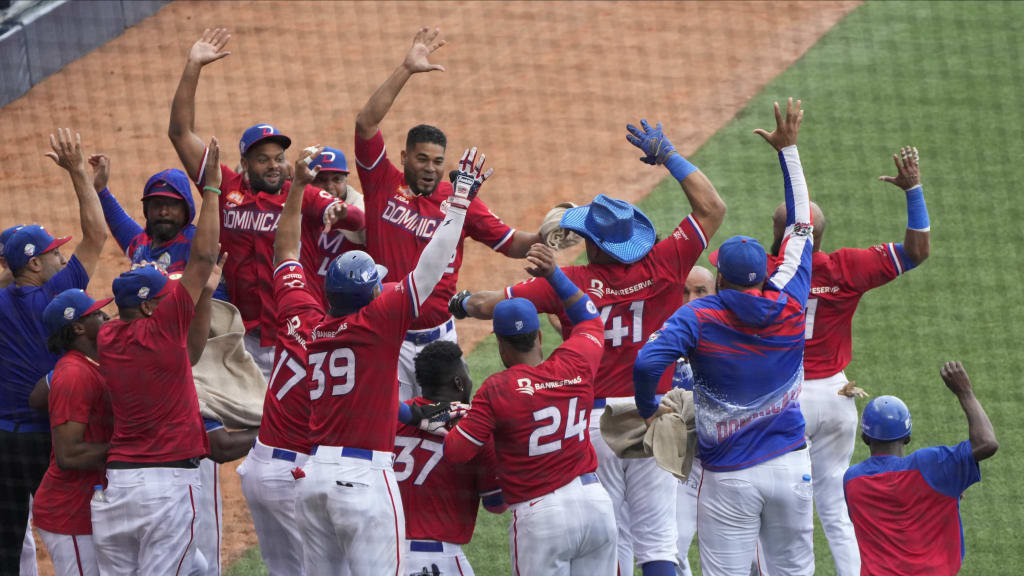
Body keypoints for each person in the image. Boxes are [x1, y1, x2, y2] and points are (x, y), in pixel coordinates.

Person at [452, 120, 726, 576]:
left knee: (612, 543)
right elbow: (712, 207)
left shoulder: (570, 283)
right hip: (653, 415)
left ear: (593, 244)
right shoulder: (665, 264)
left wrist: (459, 302)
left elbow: (491, 306)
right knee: (659, 545)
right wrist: (668, 155)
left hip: (594, 426)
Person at [634, 98, 815, 576]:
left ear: (721, 278)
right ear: (760, 276)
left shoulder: (699, 316)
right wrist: (788, 151)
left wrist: (651, 411)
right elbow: (801, 223)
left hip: (728, 477)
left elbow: (647, 365)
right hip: (790, 466)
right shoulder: (791, 298)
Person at [297, 146, 486, 575]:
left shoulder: (315, 330)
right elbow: (429, 268)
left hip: (312, 480)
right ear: (370, 296)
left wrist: (412, 413)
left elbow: (288, 264)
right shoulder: (378, 322)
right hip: (363, 480)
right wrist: (457, 205)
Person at [353, 26, 547, 401]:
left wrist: (550, 234)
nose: (429, 167)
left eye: (438, 162)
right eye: (422, 159)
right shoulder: (381, 182)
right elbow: (365, 123)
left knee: (448, 428)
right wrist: (406, 69)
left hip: (437, 340)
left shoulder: (458, 200)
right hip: (385, 333)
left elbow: (511, 244)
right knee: (387, 426)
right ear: (404, 157)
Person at [768, 146, 931, 575]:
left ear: (785, 235)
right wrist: (913, 191)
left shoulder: (766, 272)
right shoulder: (847, 267)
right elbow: (917, 252)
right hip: (838, 399)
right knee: (835, 503)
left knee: (786, 501)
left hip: (787, 401)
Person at [167, 27, 364, 380]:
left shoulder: (298, 191)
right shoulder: (223, 186)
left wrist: (341, 210)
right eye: (263, 159)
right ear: (245, 162)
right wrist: (193, 66)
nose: (273, 166)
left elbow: (356, 219)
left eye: (278, 158)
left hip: (296, 331)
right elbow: (180, 133)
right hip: (242, 337)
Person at [90, 136, 224, 575]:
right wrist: (214, 187)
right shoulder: (143, 247)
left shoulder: (107, 336)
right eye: (156, 204)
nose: (162, 210)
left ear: (185, 210)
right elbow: (122, 227)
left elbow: (202, 251)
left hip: (125, 473)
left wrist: (97, 188)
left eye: (171, 204)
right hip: (173, 358)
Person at [444, 243, 615, 575]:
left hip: (542, 517)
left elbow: (457, 452)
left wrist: (465, 421)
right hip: (595, 504)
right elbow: (589, 317)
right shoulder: (576, 362)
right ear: (539, 336)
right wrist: (555, 274)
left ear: (501, 344)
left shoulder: (497, 389)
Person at [0, 129, 107, 572]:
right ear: (36, 264)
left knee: (6, 549)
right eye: (54, 254)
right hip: (53, 440)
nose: (63, 260)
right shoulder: (60, 297)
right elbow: (97, 234)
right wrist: (81, 175)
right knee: (77, 530)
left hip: (4, 444)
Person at [844, 362, 998, 575]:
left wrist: (944, 491)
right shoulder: (932, 465)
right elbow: (987, 443)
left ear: (865, 437)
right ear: (907, 437)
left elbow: (892, 506)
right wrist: (965, 392)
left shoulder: (852, 480)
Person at [395, 341, 505, 575]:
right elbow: (496, 504)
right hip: (442, 560)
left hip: (385, 556)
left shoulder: (393, 418)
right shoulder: (476, 430)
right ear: (459, 382)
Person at [31, 290, 114, 576]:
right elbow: (69, 454)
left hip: (91, 504)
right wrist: (130, 448)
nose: (108, 317)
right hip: (70, 513)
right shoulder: (74, 375)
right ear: (78, 327)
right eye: (99, 315)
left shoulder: (95, 364)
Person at [672, 265, 714, 576]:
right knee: (671, 550)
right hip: (683, 468)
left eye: (700, 291)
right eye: (684, 291)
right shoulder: (663, 339)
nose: (691, 299)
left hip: (728, 466)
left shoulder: (729, 336)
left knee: (751, 560)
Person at [303, 146, 368, 308]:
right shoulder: (298, 205)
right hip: (307, 302)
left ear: (346, 180)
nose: (330, 187)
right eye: (321, 180)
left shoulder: (362, 206)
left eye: (337, 179)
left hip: (346, 307)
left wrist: (347, 217)